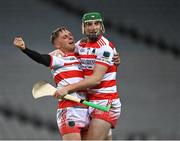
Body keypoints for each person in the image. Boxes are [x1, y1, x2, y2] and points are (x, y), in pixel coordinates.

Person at [13, 27, 90, 140]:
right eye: (65, 37)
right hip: (70, 111)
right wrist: (25, 49)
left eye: (70, 34)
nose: (70, 37)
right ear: (57, 45)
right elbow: (42, 58)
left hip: (87, 109)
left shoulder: (81, 57)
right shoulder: (59, 58)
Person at [55, 12, 121, 140]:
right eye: (89, 24)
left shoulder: (105, 48)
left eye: (97, 23)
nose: (93, 27)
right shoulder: (81, 45)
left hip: (105, 102)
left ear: (101, 26)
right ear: (83, 28)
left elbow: (95, 80)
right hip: (89, 103)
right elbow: (63, 52)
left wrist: (68, 88)